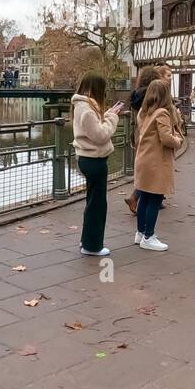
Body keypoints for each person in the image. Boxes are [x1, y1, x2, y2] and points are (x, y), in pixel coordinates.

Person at [71, 72, 123, 256]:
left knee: (93, 202)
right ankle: (92, 246)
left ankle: (87, 240)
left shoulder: (84, 106)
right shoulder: (86, 109)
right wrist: (112, 118)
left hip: (89, 159)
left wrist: (108, 114)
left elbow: (95, 127)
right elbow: (100, 135)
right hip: (94, 160)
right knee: (97, 205)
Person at [132, 79, 185, 251]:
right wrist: (178, 140)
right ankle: (149, 236)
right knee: (154, 198)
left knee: (144, 198)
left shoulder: (143, 112)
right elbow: (166, 138)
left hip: (143, 159)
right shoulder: (162, 113)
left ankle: (140, 232)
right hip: (156, 162)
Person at [124, 65, 164, 216]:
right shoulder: (151, 95)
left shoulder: (135, 95)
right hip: (150, 134)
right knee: (153, 168)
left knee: (144, 168)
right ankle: (138, 198)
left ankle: (142, 197)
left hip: (138, 133)